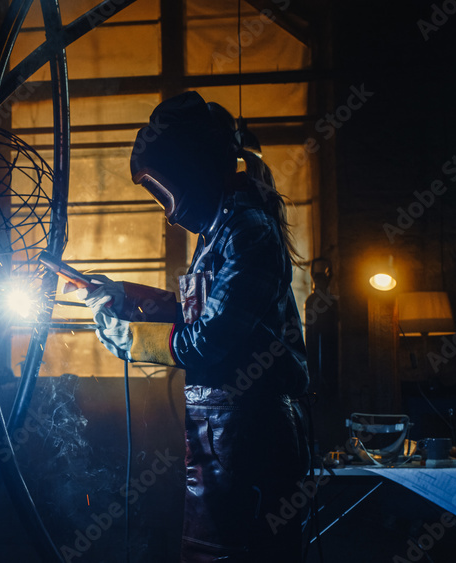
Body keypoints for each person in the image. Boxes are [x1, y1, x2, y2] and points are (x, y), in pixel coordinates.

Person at [76, 92, 310, 562]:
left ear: (193, 172)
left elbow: (207, 341)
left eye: (164, 189)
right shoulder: (219, 232)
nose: (169, 209)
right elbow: (197, 313)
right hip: (217, 439)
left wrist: (128, 337)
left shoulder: (248, 231)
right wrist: (125, 294)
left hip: (253, 440)